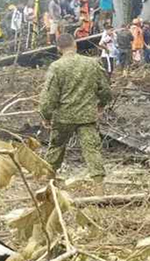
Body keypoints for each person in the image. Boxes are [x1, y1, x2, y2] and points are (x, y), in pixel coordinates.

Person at [40, 34, 112, 195]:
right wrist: (101, 105)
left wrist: (45, 116)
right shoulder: (91, 64)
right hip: (86, 116)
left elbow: (48, 97)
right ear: (75, 45)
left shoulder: (56, 67)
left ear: (59, 49)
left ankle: (48, 183)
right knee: (92, 150)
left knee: (56, 148)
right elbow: (106, 90)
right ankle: (99, 188)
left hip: (63, 117)